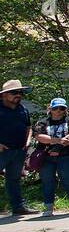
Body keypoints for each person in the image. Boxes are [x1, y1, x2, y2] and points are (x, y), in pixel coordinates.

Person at [33, 97, 69, 216]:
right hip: (46, 157)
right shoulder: (43, 122)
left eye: (62, 108)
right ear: (50, 109)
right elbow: (39, 136)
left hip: (66, 156)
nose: (59, 110)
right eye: (56, 108)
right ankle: (48, 207)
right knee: (47, 181)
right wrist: (59, 140)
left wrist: (58, 145)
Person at [0, 80, 34, 217]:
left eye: (20, 93)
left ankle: (18, 207)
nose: (18, 95)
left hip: (19, 151)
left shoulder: (23, 109)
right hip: (2, 151)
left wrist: (28, 140)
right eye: (14, 93)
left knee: (14, 179)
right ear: (4, 95)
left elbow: (28, 127)